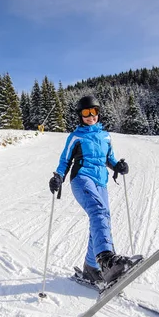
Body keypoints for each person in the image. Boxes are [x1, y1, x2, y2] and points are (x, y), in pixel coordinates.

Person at [49, 95, 136, 286]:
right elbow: (65, 161)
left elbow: (109, 159)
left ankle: (91, 267)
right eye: (86, 113)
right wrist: (58, 177)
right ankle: (106, 260)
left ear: (98, 112)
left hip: (101, 182)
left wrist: (118, 166)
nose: (91, 116)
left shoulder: (106, 136)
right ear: (80, 116)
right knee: (98, 212)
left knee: (101, 219)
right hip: (82, 179)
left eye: (94, 112)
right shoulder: (76, 137)